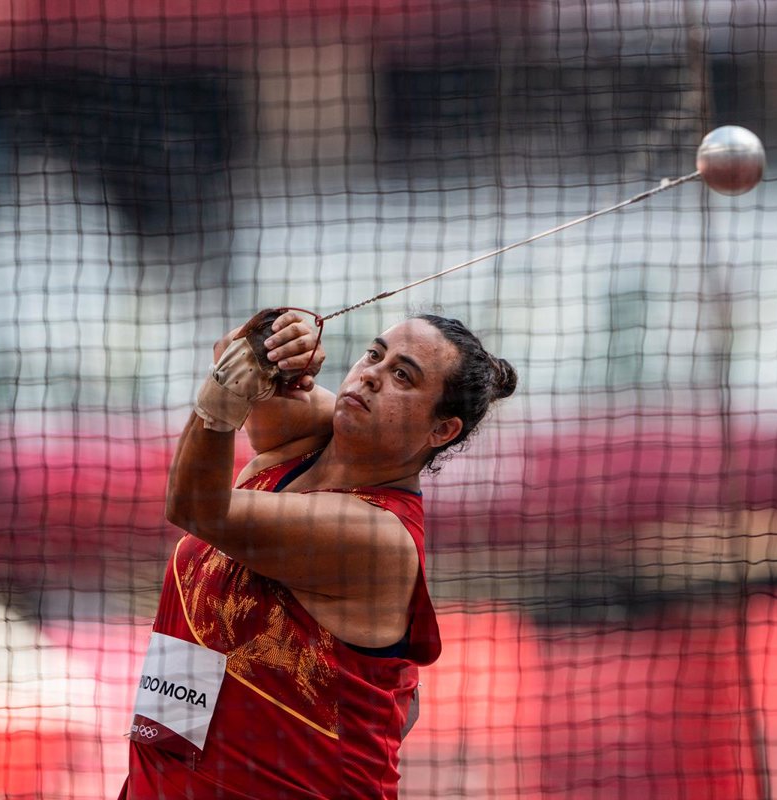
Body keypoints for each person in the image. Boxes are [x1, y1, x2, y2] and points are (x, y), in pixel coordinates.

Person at [120, 308, 517, 799]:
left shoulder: (377, 537)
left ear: (442, 431)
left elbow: (196, 506)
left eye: (402, 376)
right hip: (167, 780)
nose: (371, 375)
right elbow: (231, 354)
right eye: (374, 354)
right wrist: (276, 341)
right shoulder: (310, 437)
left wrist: (221, 398)